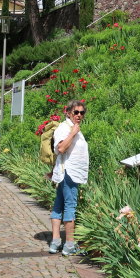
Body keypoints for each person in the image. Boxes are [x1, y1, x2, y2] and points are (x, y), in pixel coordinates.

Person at [49, 100, 89, 256]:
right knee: (70, 206)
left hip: (67, 172)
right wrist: (73, 133)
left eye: (82, 112)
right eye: (76, 112)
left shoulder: (73, 128)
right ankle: (69, 245)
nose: (79, 115)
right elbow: (60, 148)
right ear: (68, 112)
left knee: (58, 206)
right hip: (68, 173)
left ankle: (55, 242)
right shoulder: (64, 128)